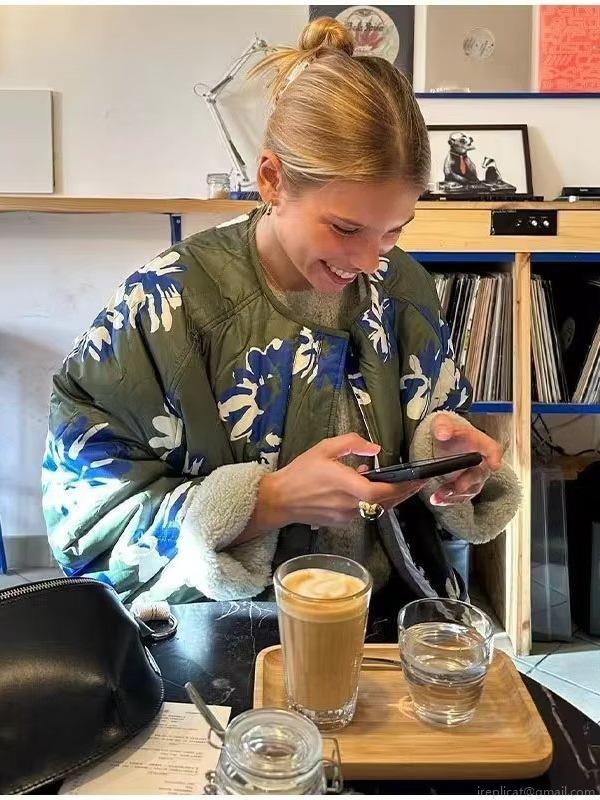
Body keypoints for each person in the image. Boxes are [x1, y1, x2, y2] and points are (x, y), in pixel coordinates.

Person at [42, 18, 520, 608]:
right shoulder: (167, 302)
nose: (370, 260)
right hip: (217, 627)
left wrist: (441, 455)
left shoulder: (403, 286)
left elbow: (436, 413)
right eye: (345, 228)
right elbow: (86, 517)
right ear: (271, 179)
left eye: (395, 229)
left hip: (381, 615)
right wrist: (269, 503)